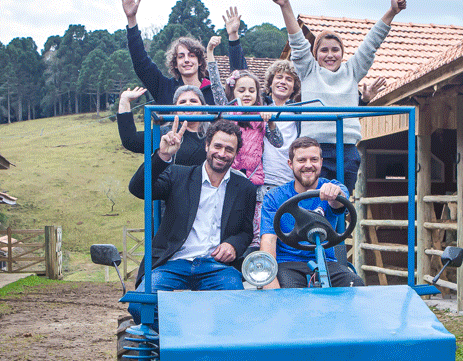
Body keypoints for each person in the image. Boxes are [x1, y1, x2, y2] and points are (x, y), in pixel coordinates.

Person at [272, 0, 406, 189]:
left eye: (335, 50)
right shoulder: (309, 71)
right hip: (315, 148)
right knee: (314, 200)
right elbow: (297, 41)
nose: (330, 55)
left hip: (347, 148)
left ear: (342, 53)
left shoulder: (352, 71)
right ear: (315, 54)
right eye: (324, 50)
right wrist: (285, 6)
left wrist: (391, 13)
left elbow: (371, 43)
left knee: (341, 202)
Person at [127, 118, 256, 322]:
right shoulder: (178, 175)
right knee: (139, 305)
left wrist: (232, 245)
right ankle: (179, 339)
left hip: (216, 267)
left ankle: (206, 347)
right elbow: (137, 187)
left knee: (236, 309)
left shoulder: (245, 188)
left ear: (236, 154)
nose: (222, 153)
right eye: (218, 146)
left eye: (229, 149)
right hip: (173, 262)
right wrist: (162, 155)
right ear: (207, 145)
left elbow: (245, 232)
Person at [259, 136, 364, 289]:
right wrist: (269, 279)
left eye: (314, 159)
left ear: (321, 162)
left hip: (325, 262)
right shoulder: (275, 197)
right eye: (301, 160)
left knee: (354, 284)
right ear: (290, 164)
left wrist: (335, 195)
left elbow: (339, 203)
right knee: (290, 293)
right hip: (288, 263)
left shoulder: (331, 187)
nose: (308, 165)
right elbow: (268, 240)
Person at [121, 0, 247, 105]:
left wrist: (233, 36)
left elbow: (241, 76)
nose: (186, 60)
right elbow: (141, 64)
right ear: (175, 63)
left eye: (191, 55)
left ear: (199, 62)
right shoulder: (164, 88)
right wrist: (131, 20)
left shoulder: (215, 90)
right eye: (181, 56)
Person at [117, 84, 208, 165]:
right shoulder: (164, 134)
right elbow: (131, 141)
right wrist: (124, 100)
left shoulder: (213, 133)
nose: (188, 104)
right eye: (182, 102)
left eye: (193, 101)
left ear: (203, 106)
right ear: (175, 109)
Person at [260, 60, 301, 193]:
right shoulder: (260, 107)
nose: (283, 82)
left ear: (294, 87)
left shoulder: (299, 112)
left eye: (289, 79)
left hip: (290, 180)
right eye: (279, 77)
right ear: (270, 83)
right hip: (264, 179)